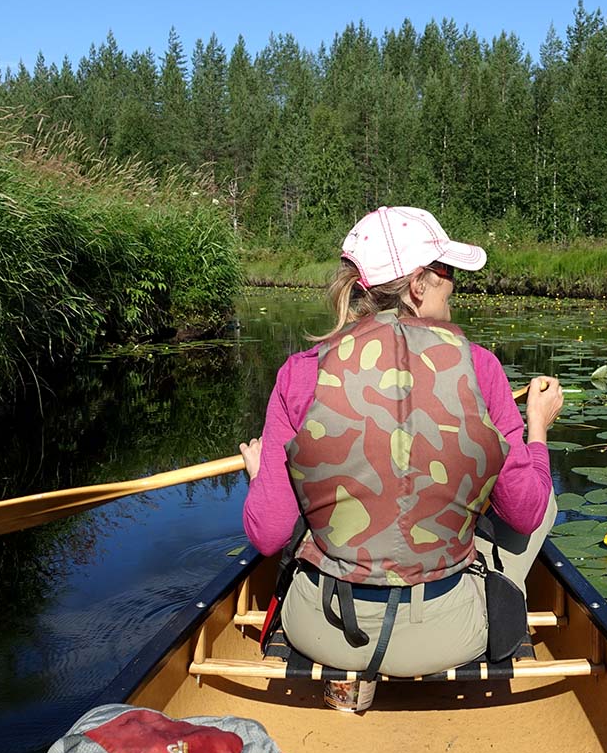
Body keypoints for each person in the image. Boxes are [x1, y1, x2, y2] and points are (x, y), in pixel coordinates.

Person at [239, 206, 562, 677]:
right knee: (543, 496)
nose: (455, 285)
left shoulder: (300, 372)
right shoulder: (482, 369)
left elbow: (267, 535)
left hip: (323, 629)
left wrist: (262, 475)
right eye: (448, 272)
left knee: (300, 505)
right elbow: (526, 512)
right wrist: (537, 429)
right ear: (418, 285)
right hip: (449, 633)